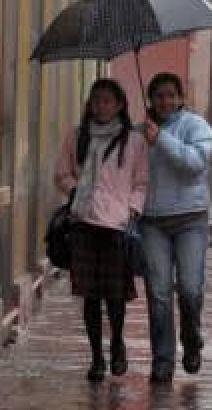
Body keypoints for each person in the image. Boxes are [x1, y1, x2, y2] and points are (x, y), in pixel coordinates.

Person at [55, 78, 149, 382]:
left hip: (116, 225)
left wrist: (131, 210)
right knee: (90, 296)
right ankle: (96, 356)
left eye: (108, 101)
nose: (102, 106)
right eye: (96, 100)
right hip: (83, 222)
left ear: (120, 105)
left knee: (115, 296)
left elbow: (141, 181)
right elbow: (61, 174)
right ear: (89, 104)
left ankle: (117, 342)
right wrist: (76, 190)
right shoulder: (76, 136)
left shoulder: (133, 141)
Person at [141, 73, 212, 383]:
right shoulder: (140, 132)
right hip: (151, 221)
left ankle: (192, 337)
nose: (165, 101)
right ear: (151, 99)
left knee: (189, 288)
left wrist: (161, 139)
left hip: (190, 219)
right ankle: (162, 360)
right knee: (158, 294)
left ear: (181, 98)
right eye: (159, 95)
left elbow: (195, 163)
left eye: (171, 95)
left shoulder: (197, 127)